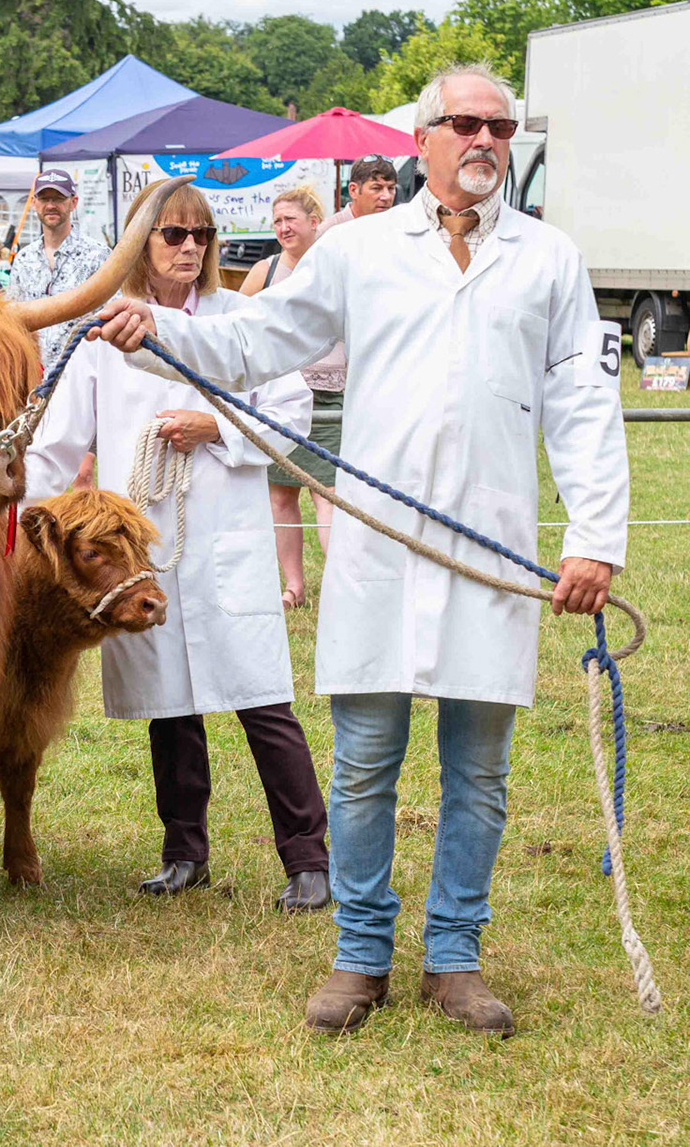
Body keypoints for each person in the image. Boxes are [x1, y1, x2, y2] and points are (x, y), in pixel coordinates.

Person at [89, 63, 627, 1038]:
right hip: (380, 548)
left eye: (502, 129)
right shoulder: (360, 251)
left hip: (488, 544)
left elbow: (584, 403)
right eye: (465, 124)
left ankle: (455, 956)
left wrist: (594, 537)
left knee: (479, 768)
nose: (485, 142)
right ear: (421, 140)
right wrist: (157, 328)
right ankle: (362, 954)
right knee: (367, 758)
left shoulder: (550, 260)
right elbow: (257, 341)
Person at [27, 180, 329, 915]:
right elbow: (58, 439)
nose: (189, 248)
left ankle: (310, 860)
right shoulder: (104, 333)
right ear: (141, 241)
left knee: (262, 698)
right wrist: (19, 514)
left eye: (200, 236)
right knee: (171, 706)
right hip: (138, 548)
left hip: (226, 532)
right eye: (172, 235)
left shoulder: (242, 319)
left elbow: (292, 416)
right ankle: (183, 851)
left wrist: (215, 430)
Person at [243, 185, 337, 608]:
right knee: (281, 496)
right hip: (280, 398)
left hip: (332, 395)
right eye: (277, 221)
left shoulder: (336, 267)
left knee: (328, 494)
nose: (283, 228)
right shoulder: (264, 271)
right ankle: (294, 585)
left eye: (291, 220)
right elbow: (238, 324)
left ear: (314, 222)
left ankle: (339, 586)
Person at [5, 168, 112, 365]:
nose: (51, 205)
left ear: (73, 203)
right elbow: (14, 319)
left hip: (83, 374)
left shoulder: (99, 255)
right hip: (34, 377)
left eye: (59, 198)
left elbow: (112, 315)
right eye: (45, 199)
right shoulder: (23, 259)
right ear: (34, 203)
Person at [316, 156, 399, 235]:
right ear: (353, 190)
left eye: (391, 188)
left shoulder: (398, 230)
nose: (387, 196)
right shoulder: (329, 232)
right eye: (376, 188)